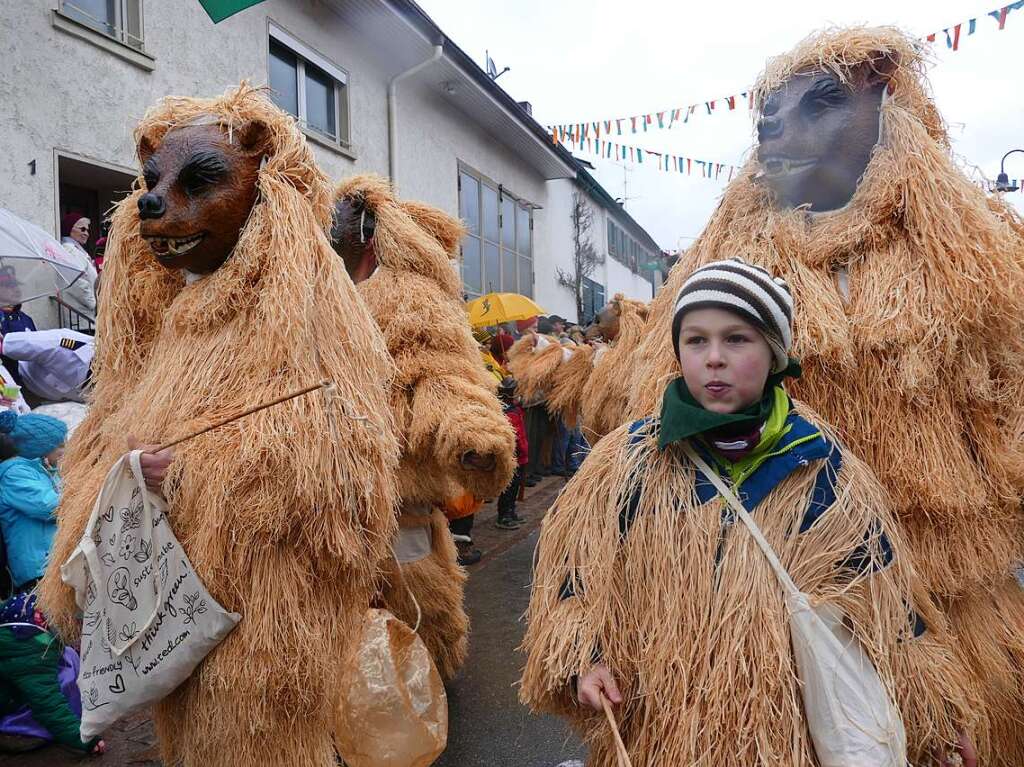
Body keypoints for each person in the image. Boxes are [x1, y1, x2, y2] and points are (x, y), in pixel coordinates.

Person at [520, 258, 977, 766]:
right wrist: (586, 659)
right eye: (696, 340)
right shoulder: (626, 466)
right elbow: (572, 579)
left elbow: (890, 614)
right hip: (658, 735)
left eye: (737, 339)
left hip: (788, 741)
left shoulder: (822, 469)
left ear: (774, 353)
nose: (714, 358)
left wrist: (936, 722)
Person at [0, 410, 66, 594]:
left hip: (51, 563)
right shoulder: (14, 474)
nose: (64, 450)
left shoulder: (40, 470)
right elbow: (49, 506)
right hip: (38, 568)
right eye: (60, 445)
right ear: (40, 447)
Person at [0, 329, 93, 404]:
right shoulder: (65, 344)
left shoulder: (101, 389)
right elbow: (7, 346)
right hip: (17, 377)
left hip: (43, 401)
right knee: (9, 406)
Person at [496, 377, 528, 530]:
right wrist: (523, 452)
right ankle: (504, 516)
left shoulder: (515, 410)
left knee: (514, 487)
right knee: (509, 488)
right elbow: (517, 437)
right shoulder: (509, 413)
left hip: (519, 456)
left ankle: (511, 511)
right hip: (514, 457)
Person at [57, 211, 98, 319]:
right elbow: (76, 280)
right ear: (69, 228)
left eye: (87, 230)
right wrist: (94, 304)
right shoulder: (68, 249)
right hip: (81, 317)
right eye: (82, 229)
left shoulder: (77, 250)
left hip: (85, 315)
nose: (86, 233)